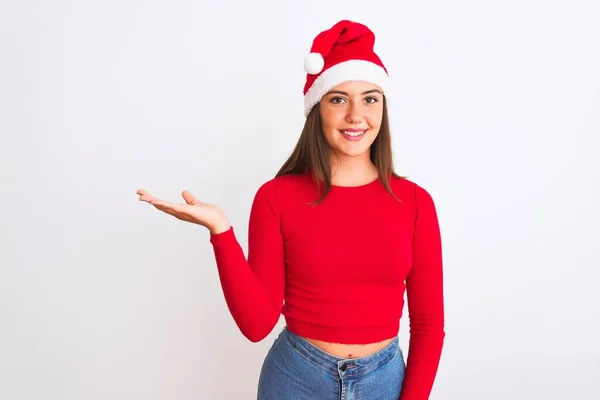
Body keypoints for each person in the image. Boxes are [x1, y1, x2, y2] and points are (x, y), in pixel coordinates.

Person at [137, 19, 445, 400]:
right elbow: (256, 324)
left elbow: (429, 325)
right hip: (295, 379)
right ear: (317, 109)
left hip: (384, 381)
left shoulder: (415, 202)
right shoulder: (277, 197)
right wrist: (220, 231)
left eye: (370, 98)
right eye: (338, 99)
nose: (355, 115)